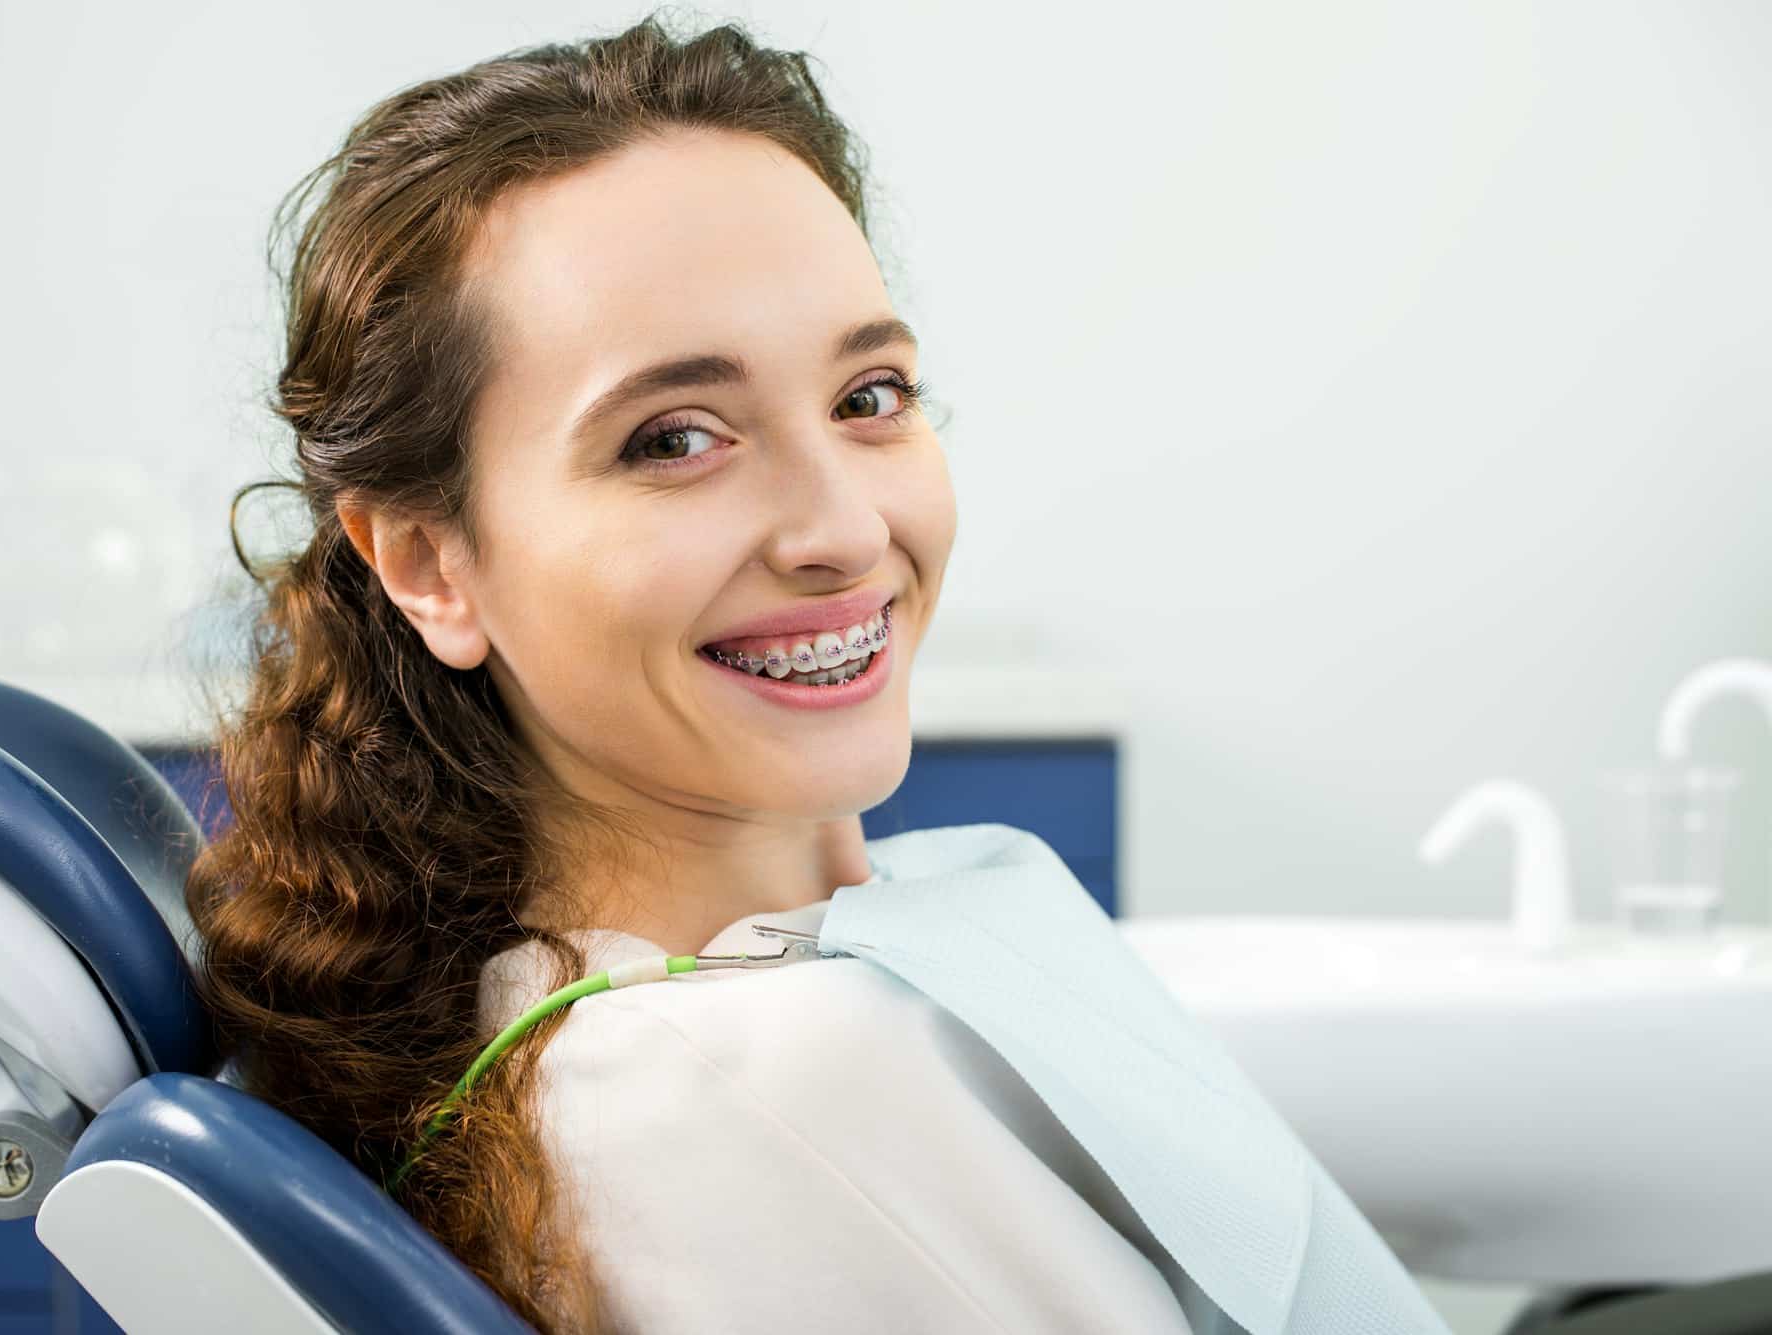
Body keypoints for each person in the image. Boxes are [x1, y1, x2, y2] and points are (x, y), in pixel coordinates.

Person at [186, 13, 1196, 1332]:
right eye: (674, 438)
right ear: (432, 562)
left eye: (869, 395)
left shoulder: (713, 1005)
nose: (842, 530)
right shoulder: (768, 1084)